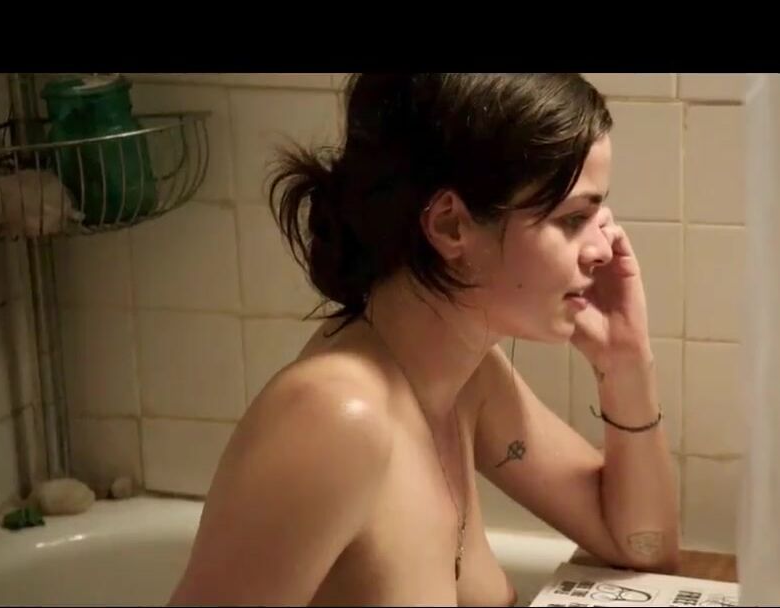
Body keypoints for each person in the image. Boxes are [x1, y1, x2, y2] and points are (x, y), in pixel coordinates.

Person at [167, 73, 680, 606]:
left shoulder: (469, 381)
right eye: (573, 219)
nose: (603, 249)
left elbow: (642, 548)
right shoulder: (336, 419)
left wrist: (625, 363)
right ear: (451, 226)